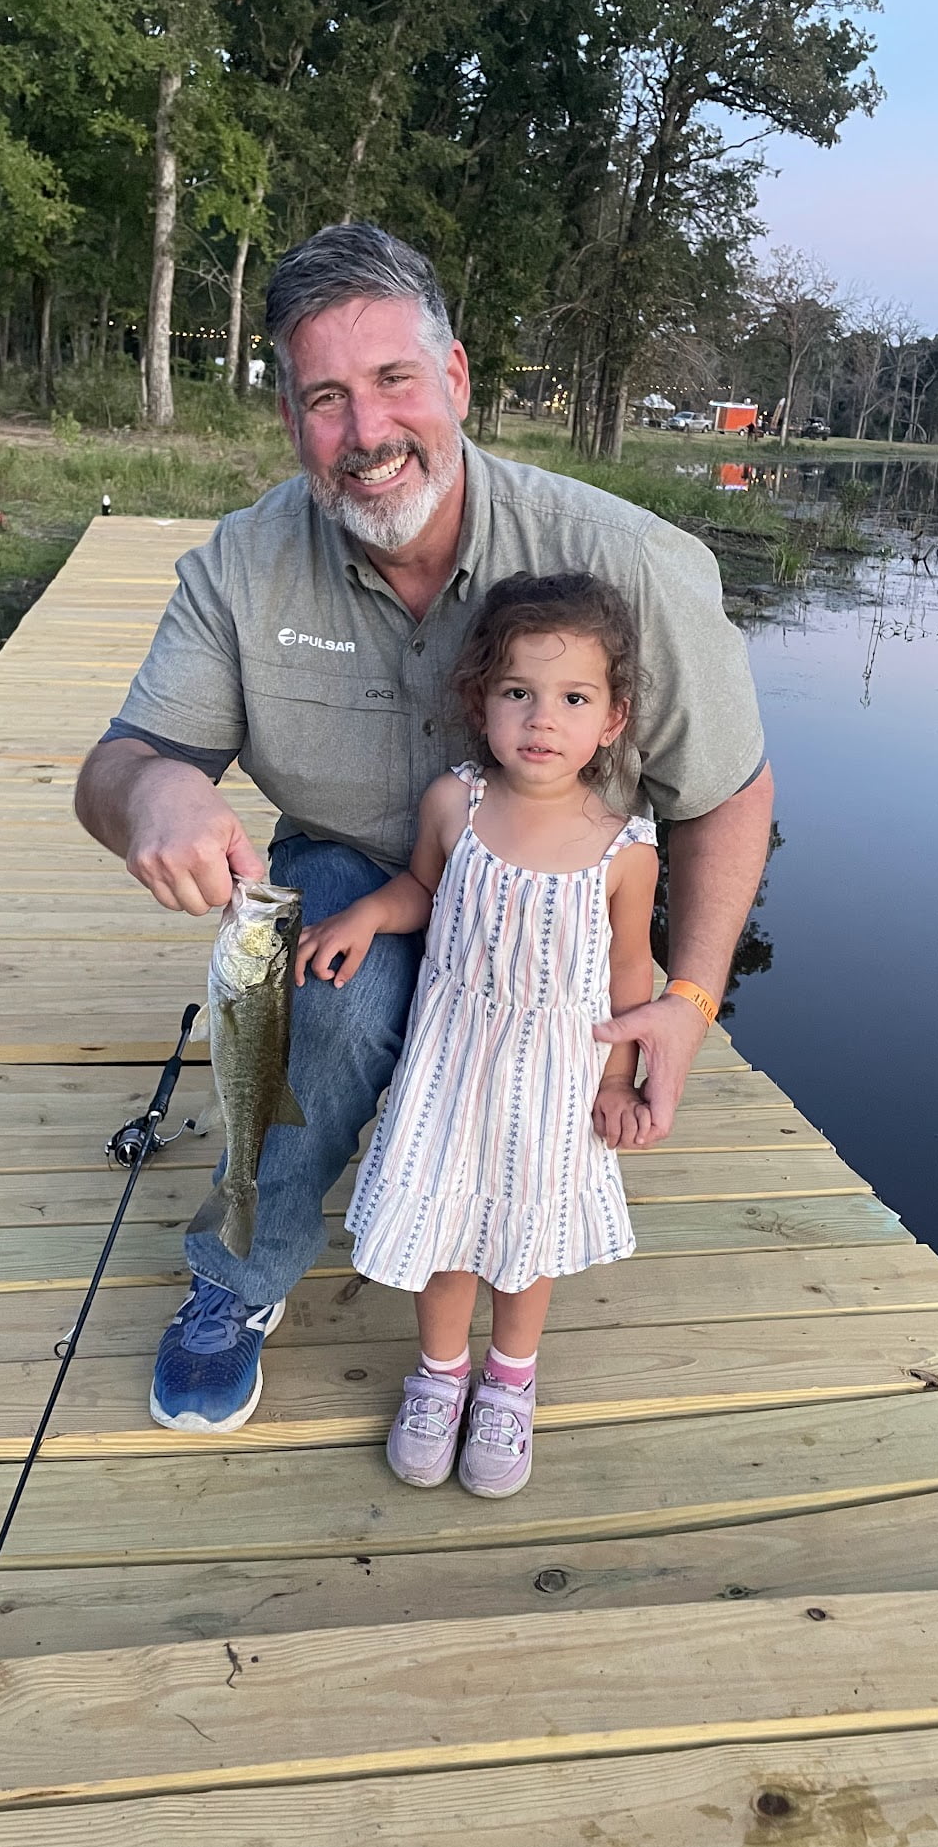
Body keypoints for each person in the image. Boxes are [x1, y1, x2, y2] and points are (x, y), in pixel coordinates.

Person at [74, 221, 773, 1436]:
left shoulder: (626, 560)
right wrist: (157, 794)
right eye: (325, 398)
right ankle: (237, 1276)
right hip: (360, 872)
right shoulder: (242, 564)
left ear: (453, 380)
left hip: (561, 897)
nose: (366, 432)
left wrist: (689, 1000)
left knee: (535, 1098)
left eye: (394, 381)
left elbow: (726, 790)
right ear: (290, 421)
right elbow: (117, 765)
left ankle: (493, 1353)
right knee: (345, 1006)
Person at [295, 573, 657, 1497]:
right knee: (450, 1227)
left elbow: (628, 979)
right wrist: (367, 918)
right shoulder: (454, 803)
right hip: (454, 1063)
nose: (544, 719)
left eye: (574, 698)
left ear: (611, 720)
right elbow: (422, 889)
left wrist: (620, 1081)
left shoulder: (627, 849)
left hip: (554, 1082)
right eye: (518, 694)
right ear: (481, 703)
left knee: (523, 1241)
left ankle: (509, 1380)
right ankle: (442, 1371)